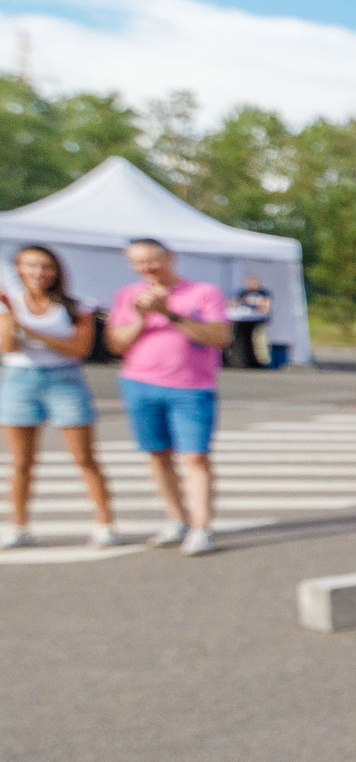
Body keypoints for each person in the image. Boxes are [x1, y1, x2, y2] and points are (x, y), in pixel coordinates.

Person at [105, 237, 230, 555]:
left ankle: (201, 526)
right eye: (138, 262)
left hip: (191, 386)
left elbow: (220, 337)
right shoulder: (128, 296)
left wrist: (169, 313)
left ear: (170, 258)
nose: (147, 268)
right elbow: (117, 344)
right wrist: (142, 317)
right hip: (140, 383)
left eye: (153, 260)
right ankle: (176, 518)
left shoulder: (203, 293)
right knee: (158, 454)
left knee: (195, 456)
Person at [2, 244, 116, 548]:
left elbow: (79, 350)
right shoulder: (9, 303)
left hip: (65, 379)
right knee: (22, 462)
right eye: (30, 266)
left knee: (84, 457)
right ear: (19, 269)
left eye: (45, 266)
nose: (38, 273)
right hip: (19, 379)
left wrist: (33, 332)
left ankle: (105, 522)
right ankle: (19, 526)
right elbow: (8, 347)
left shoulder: (77, 306)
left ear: (56, 271)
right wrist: (12, 317)